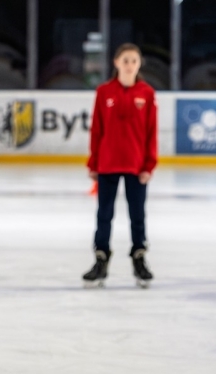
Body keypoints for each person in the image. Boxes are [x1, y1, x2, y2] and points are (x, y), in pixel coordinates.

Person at [83, 43, 158, 288]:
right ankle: (101, 260)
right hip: (107, 164)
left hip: (136, 166)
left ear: (139, 64)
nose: (129, 65)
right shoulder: (104, 92)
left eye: (133, 61)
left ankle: (139, 259)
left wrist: (149, 164)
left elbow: (151, 132)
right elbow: (96, 129)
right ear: (116, 63)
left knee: (137, 216)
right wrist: (93, 161)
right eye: (125, 60)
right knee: (104, 215)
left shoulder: (146, 93)